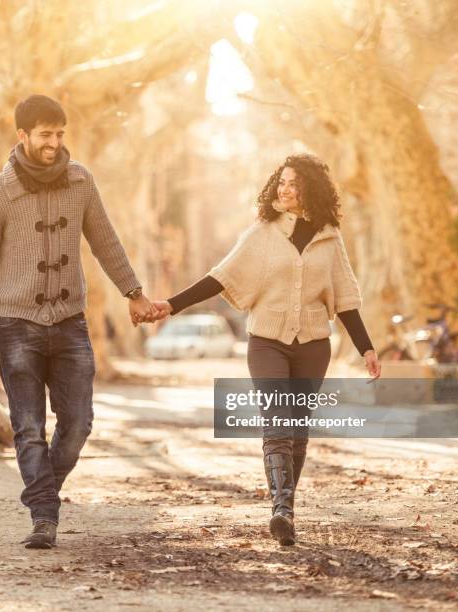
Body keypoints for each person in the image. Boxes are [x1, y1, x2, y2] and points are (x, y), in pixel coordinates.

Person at [151, 154, 381, 546]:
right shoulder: (263, 231)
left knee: (298, 429)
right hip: (267, 342)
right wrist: (172, 305)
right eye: (282, 181)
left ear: (311, 188)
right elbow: (221, 276)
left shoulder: (329, 235)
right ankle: (282, 509)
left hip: (313, 345)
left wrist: (367, 348)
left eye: (294, 183)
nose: (285, 189)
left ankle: (285, 505)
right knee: (277, 423)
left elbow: (345, 299)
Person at [0, 95, 157, 549]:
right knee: (27, 427)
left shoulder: (81, 181)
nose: (54, 143)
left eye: (60, 134)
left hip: (69, 323)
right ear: (23, 136)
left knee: (79, 422)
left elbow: (106, 240)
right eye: (45, 135)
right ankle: (44, 516)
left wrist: (134, 293)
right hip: (15, 324)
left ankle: (42, 488)